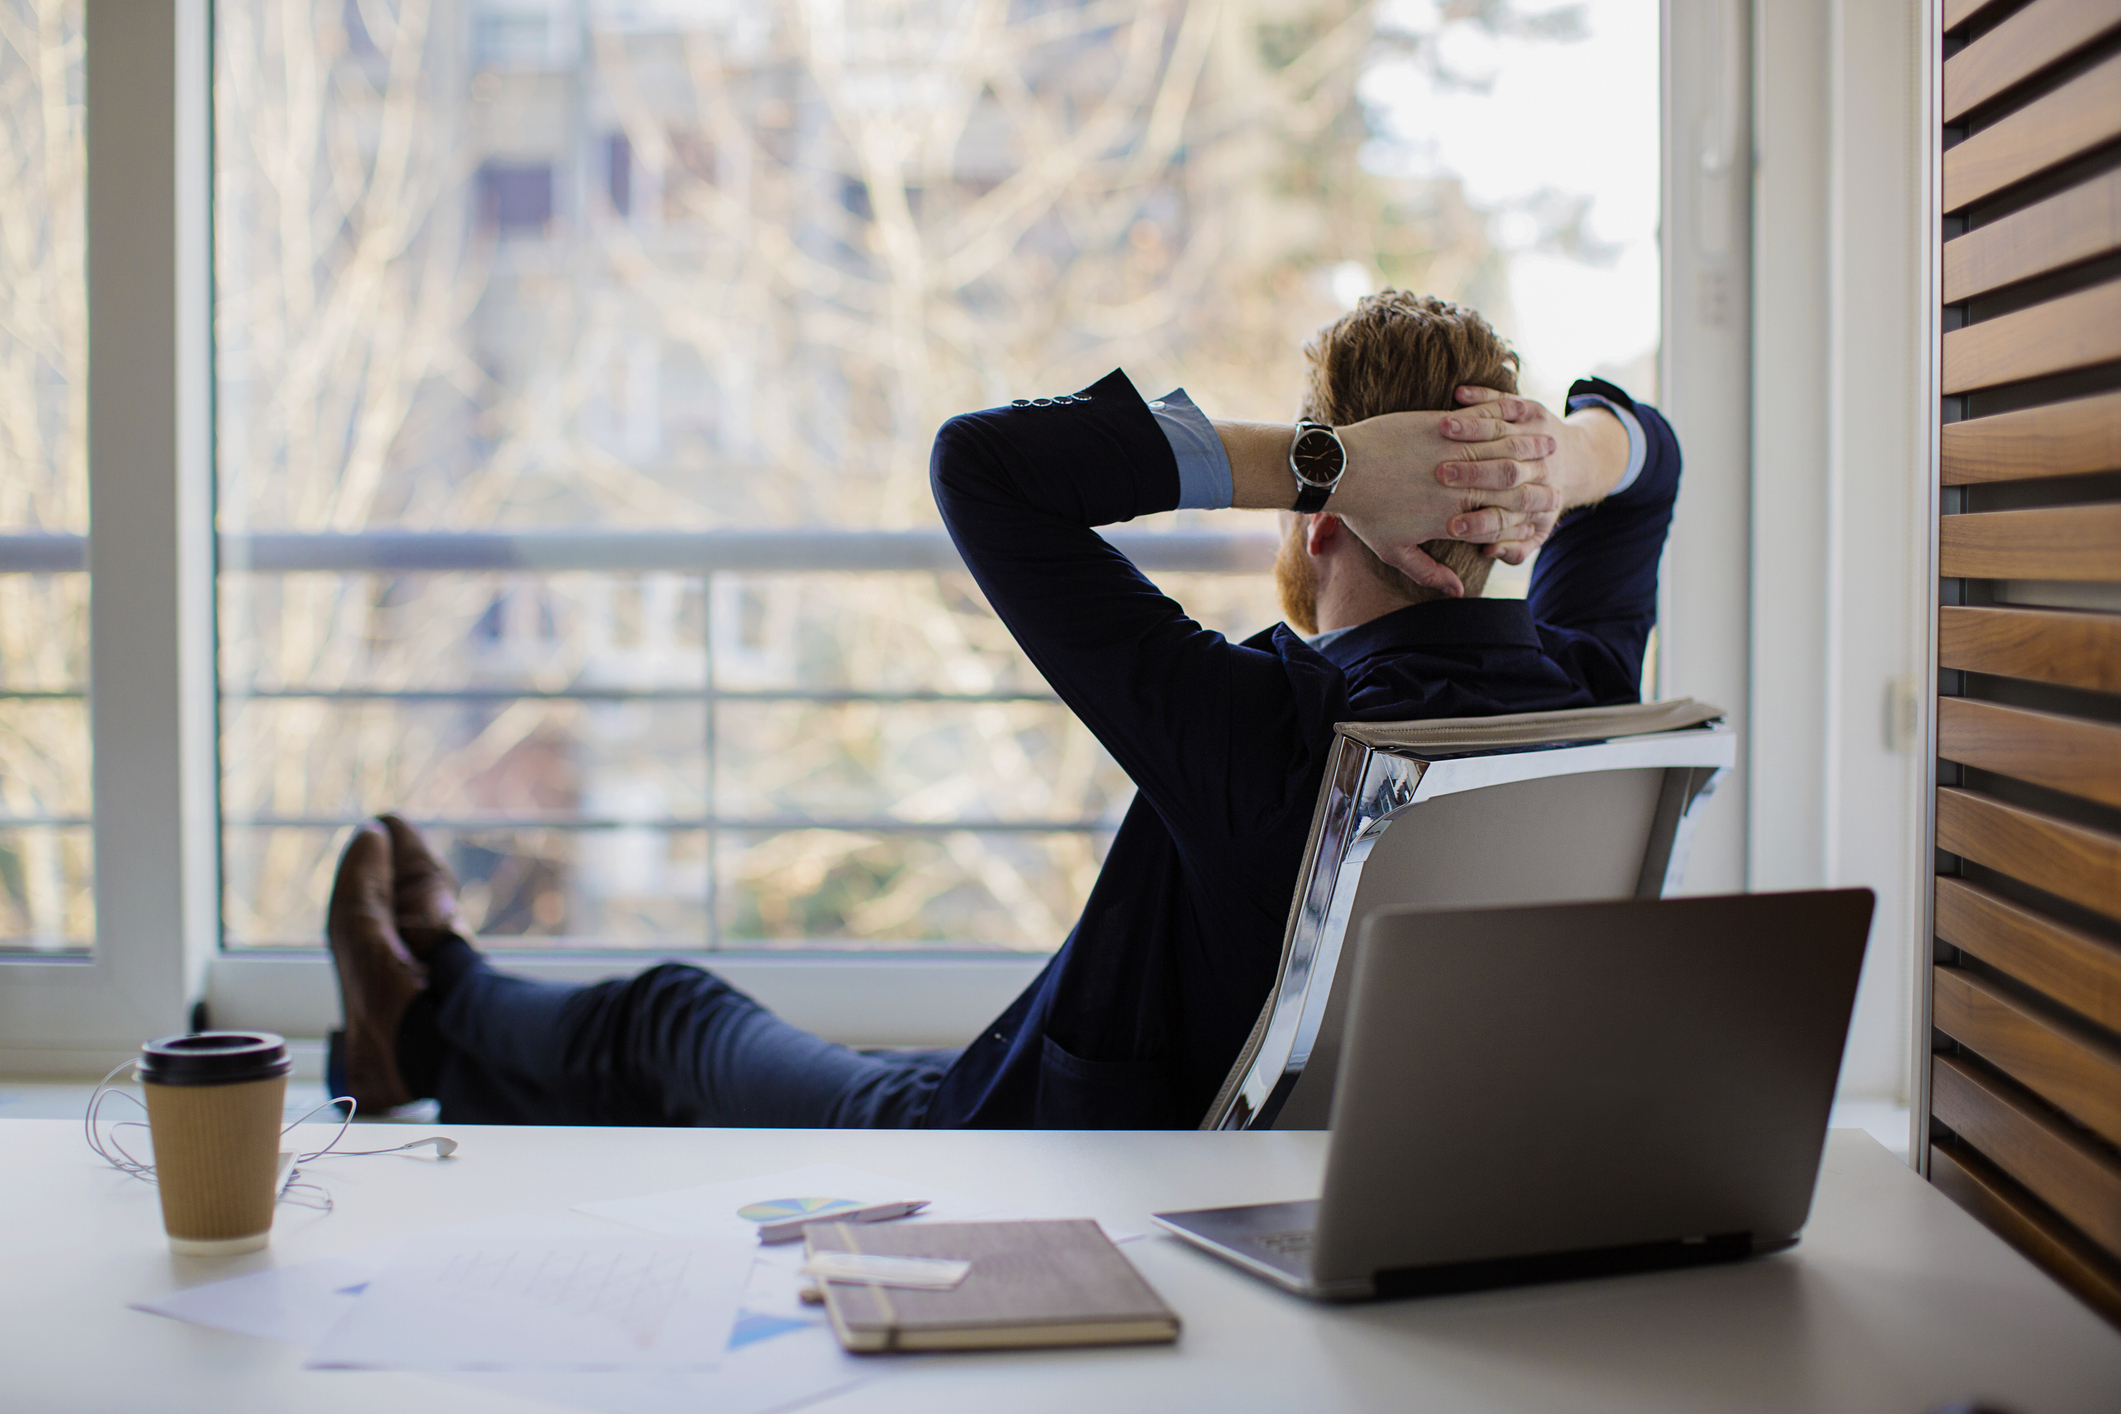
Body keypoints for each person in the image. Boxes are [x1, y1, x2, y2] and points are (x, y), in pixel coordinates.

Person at [325, 290, 1674, 1129]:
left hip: (1001, 1160)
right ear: (1519, 512)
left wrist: (1314, 458)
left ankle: (427, 1005)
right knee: (793, 1046)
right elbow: (1649, 454)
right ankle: (408, 1048)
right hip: (1291, 1164)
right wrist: (1566, 452)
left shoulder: (1257, 728)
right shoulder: (1579, 691)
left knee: (677, 1021)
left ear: (1318, 516)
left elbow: (984, 466)